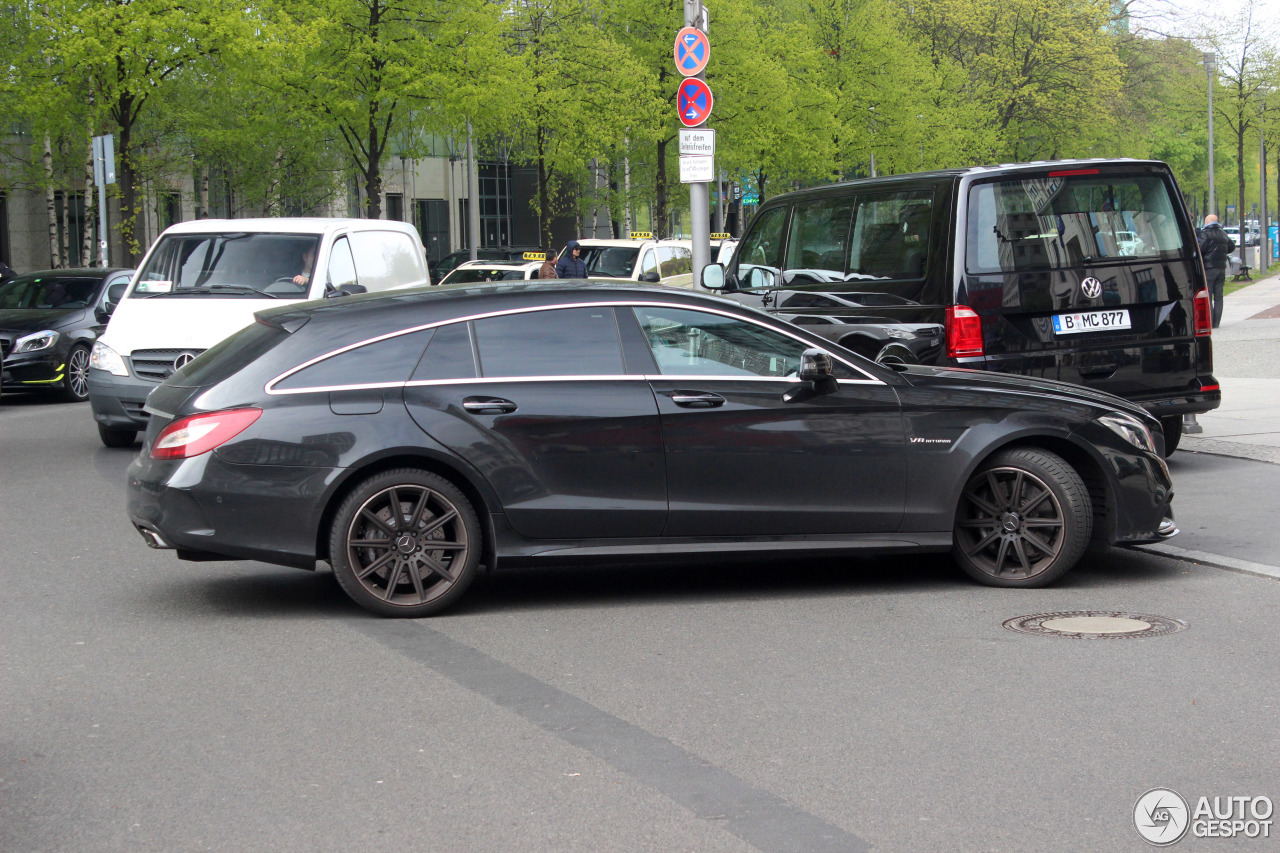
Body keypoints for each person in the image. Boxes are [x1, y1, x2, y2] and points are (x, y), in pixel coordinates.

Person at [1198, 214, 1234, 328]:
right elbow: (1231, 247)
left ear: (1207, 222)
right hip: (1221, 268)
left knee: (1208, 295)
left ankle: (1210, 320)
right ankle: (1217, 321)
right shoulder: (1223, 233)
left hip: (1209, 268)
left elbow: (1200, 248)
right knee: (1219, 296)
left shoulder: (1205, 234)